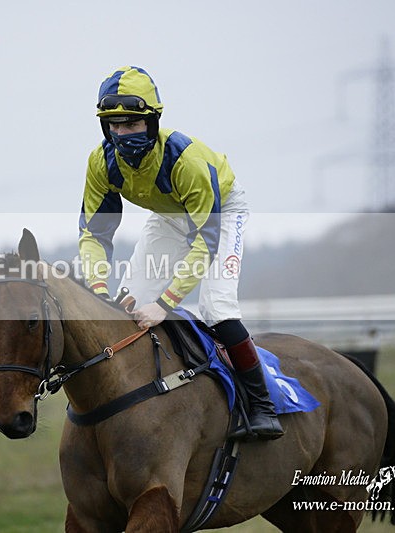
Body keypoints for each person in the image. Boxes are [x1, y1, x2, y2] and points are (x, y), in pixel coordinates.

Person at [78, 66, 283, 440]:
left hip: (219, 214)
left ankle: (263, 406)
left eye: (133, 124)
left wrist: (167, 303)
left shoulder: (185, 161)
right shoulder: (100, 163)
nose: (122, 135)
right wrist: (98, 288)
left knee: (217, 309)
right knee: (128, 303)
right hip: (170, 216)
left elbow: (206, 240)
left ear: (153, 121)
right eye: (114, 126)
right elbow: (94, 234)